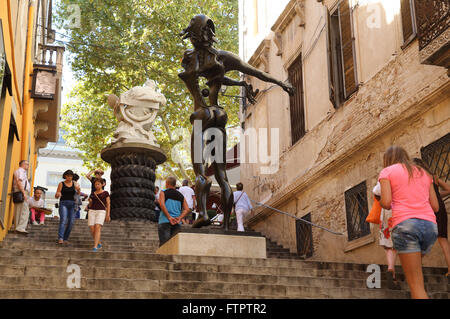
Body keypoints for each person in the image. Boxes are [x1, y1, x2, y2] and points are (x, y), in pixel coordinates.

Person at [378, 146, 439, 299]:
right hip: (430, 227)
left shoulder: (387, 172)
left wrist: (380, 200)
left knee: (416, 285)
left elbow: (386, 202)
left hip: (406, 225)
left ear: (387, 160)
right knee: (416, 281)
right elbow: (436, 206)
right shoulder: (424, 173)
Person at [413, 158, 450, 277]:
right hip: (441, 210)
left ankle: (415, 271)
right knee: (443, 240)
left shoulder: (417, 180)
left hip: (429, 211)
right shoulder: (433, 177)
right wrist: (438, 194)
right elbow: (448, 189)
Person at [372, 182, 400, 289]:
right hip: (400, 209)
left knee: (389, 244)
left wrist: (383, 200)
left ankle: (391, 270)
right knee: (404, 243)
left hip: (387, 210)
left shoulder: (386, 175)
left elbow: (376, 191)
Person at [158, 176, 189, 247]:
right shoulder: (181, 196)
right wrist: (179, 218)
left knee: (164, 245)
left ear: (167, 183)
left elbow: (162, 204)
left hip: (164, 221)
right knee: (174, 246)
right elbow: (187, 209)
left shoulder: (163, 192)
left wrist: (169, 217)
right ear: (175, 184)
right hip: (177, 223)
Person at [55, 170, 80, 245]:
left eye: (71, 176)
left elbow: (78, 194)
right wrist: (58, 194)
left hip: (72, 204)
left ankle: (65, 238)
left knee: (71, 222)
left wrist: (78, 189)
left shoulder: (74, 183)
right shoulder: (61, 184)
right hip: (63, 203)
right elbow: (56, 196)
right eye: (68, 176)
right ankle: (61, 238)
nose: (70, 177)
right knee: (63, 220)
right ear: (65, 176)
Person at [88, 178, 110, 252]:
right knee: (92, 228)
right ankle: (99, 243)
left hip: (101, 211)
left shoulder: (106, 193)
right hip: (92, 211)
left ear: (102, 184)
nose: (97, 186)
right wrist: (90, 201)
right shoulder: (92, 193)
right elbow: (90, 204)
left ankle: (95, 246)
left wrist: (108, 215)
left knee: (97, 227)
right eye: (95, 184)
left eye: (98, 184)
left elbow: (108, 204)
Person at [12, 160, 31, 234]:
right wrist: (24, 193)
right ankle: (21, 228)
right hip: (21, 192)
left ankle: (17, 227)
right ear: (23, 164)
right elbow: (19, 182)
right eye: (27, 164)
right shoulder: (21, 171)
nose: (28, 166)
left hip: (19, 192)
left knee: (18, 210)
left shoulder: (19, 171)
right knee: (25, 211)